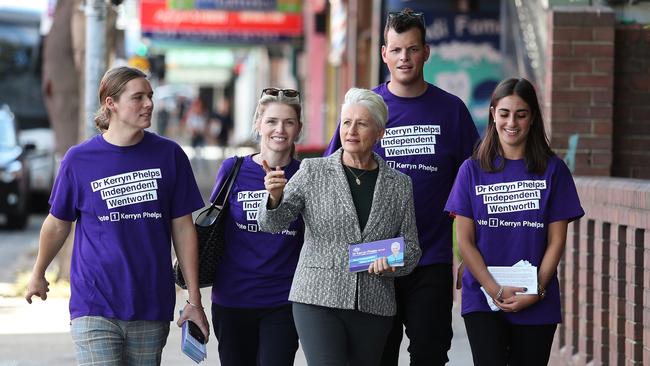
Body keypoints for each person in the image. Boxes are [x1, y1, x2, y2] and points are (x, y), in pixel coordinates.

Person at [323, 8, 480, 365]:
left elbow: (475, 186)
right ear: (384, 54)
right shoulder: (364, 108)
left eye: (411, 49)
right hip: (376, 260)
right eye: (396, 50)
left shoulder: (451, 111)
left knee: (430, 353)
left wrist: (472, 255)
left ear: (426, 52)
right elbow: (332, 177)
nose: (404, 58)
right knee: (377, 356)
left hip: (431, 259)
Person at [24, 66, 209, 365]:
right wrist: (37, 273)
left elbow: (183, 229)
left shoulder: (170, 156)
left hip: (150, 303)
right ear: (111, 103)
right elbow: (57, 223)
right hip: (94, 303)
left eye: (149, 96)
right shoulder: (79, 159)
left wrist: (195, 301)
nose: (149, 103)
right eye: (138, 97)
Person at [258, 88, 421, 366]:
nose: (351, 130)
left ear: (380, 132)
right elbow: (273, 223)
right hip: (317, 298)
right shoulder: (312, 171)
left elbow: (412, 248)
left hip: (374, 301)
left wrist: (394, 263)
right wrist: (274, 199)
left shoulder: (399, 183)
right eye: (346, 122)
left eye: (362, 123)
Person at [444, 78, 584, 365]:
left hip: (535, 298)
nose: (512, 122)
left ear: (532, 118)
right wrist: (494, 289)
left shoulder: (553, 171)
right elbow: (464, 242)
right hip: (483, 296)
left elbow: (556, 241)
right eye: (504, 113)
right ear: (493, 113)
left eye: (521, 114)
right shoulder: (471, 170)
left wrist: (538, 290)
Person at [209, 87, 304, 366]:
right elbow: (211, 227)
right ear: (258, 125)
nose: (280, 129)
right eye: (272, 121)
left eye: (288, 122)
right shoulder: (233, 169)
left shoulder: (305, 175)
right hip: (233, 297)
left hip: (283, 299)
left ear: (298, 129)